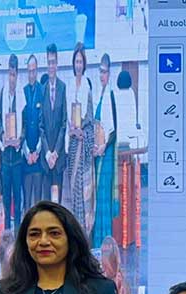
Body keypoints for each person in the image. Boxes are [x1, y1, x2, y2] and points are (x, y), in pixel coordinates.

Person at [63, 42, 95, 234]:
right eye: (76, 61)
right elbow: (66, 116)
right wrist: (72, 130)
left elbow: (89, 117)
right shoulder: (68, 85)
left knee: (83, 188)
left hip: (83, 143)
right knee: (73, 185)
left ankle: (84, 230)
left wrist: (83, 131)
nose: (78, 65)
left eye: (81, 61)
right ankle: (74, 228)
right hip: (72, 141)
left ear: (84, 64)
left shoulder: (87, 86)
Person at [0, 54, 25, 232]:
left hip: (18, 158)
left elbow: (25, 124)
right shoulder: (2, 92)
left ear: (17, 74)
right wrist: (3, 136)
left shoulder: (21, 94)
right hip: (6, 158)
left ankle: (18, 234)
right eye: (9, 74)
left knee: (18, 199)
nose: (11, 78)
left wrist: (19, 140)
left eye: (14, 74)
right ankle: (6, 234)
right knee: (6, 198)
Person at [91, 54, 118, 249]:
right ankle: (98, 242)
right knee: (97, 198)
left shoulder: (110, 95)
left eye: (105, 71)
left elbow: (113, 129)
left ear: (110, 73)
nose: (102, 75)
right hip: (98, 154)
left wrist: (102, 146)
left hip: (106, 155)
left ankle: (106, 243)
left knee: (103, 197)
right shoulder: (100, 95)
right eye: (100, 71)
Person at [40, 44, 67, 203]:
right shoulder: (42, 90)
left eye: (53, 62)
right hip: (46, 159)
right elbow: (41, 126)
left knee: (58, 204)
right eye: (49, 62)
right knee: (47, 205)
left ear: (57, 64)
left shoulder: (63, 88)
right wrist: (47, 153)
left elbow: (64, 123)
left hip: (58, 158)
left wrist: (55, 152)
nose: (51, 66)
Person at [21, 55, 45, 212]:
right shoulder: (22, 92)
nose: (31, 74)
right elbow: (20, 126)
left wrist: (36, 152)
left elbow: (44, 126)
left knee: (38, 203)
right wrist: (27, 152)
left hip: (38, 156)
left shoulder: (42, 92)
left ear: (37, 71)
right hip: (25, 156)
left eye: (34, 71)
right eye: (29, 71)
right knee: (27, 205)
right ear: (27, 72)